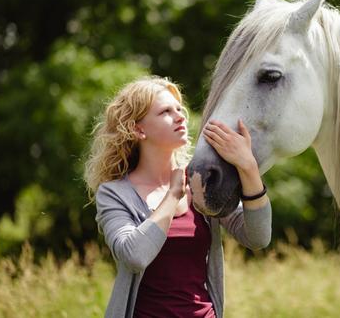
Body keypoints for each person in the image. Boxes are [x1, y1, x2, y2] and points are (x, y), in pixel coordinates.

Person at [84, 76, 272, 318]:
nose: (180, 116)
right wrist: (173, 195)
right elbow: (134, 256)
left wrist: (248, 168)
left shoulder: (200, 180)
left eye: (178, 109)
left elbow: (258, 237)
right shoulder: (115, 193)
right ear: (138, 129)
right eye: (165, 112)